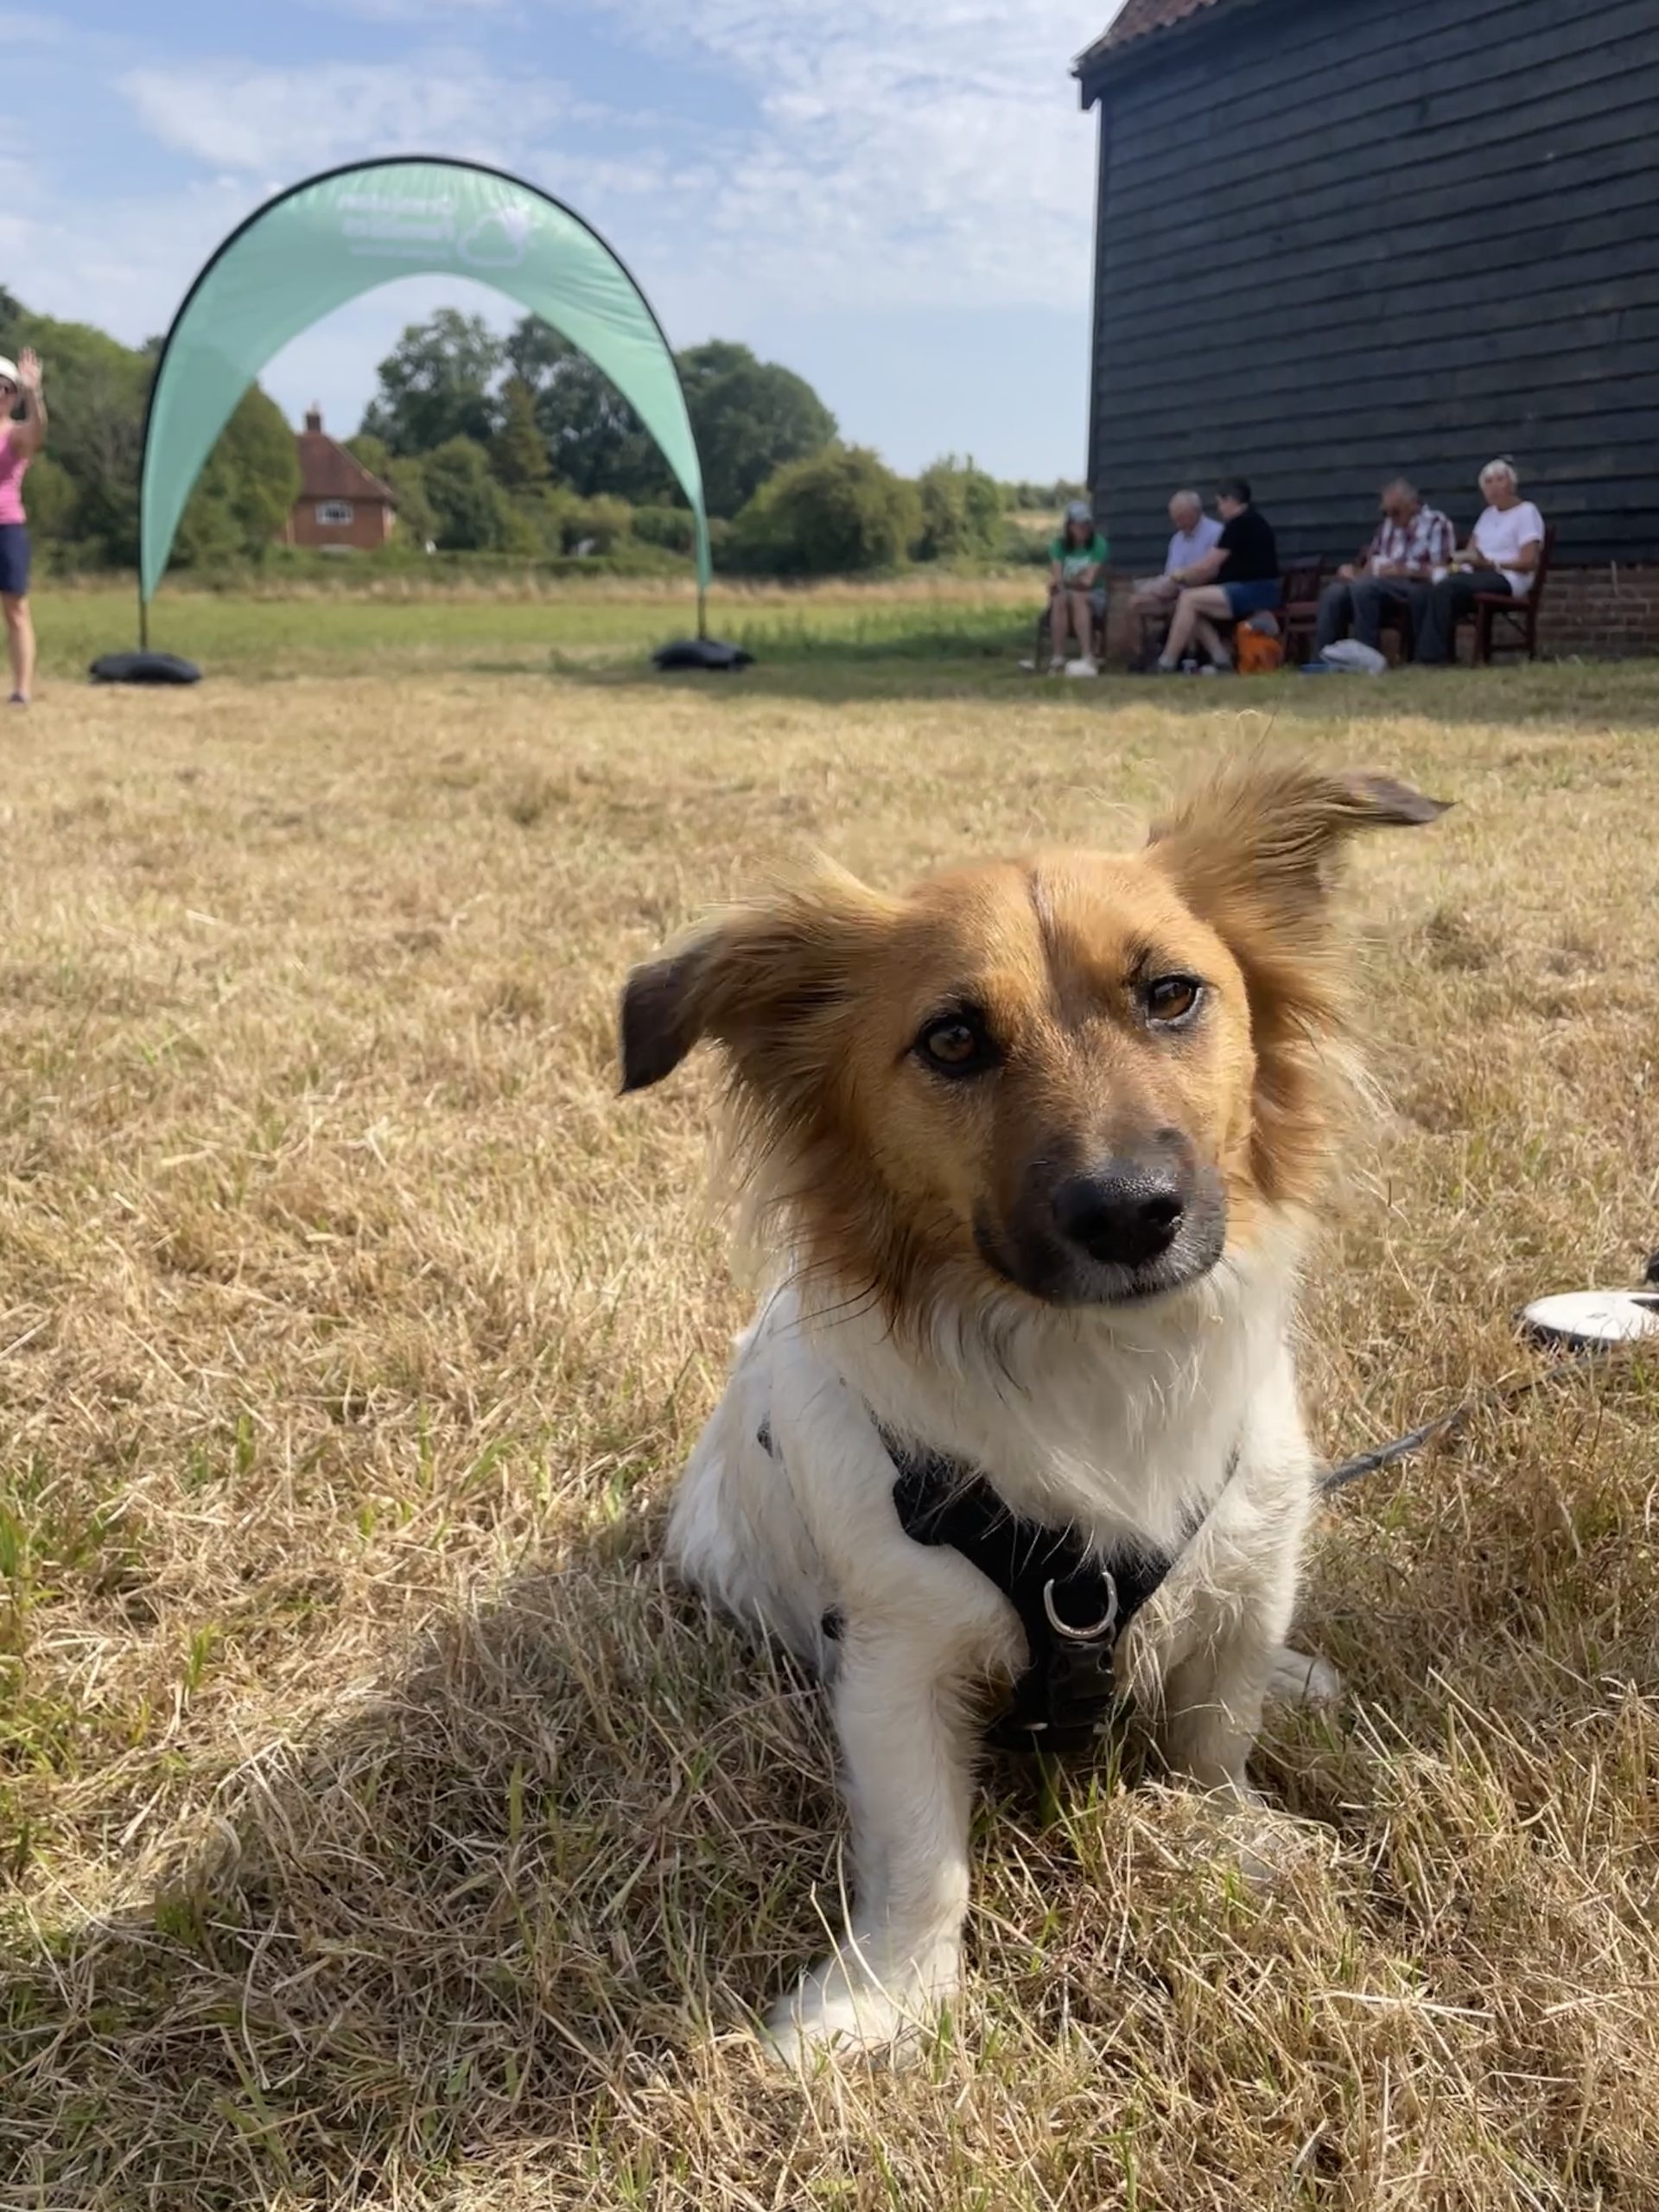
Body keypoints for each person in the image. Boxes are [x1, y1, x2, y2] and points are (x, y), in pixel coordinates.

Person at [1413, 458, 1545, 666]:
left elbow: (1529, 561)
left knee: (1448, 588)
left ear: (1512, 484)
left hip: (1508, 578)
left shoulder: (1526, 512)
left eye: (1499, 480)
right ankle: (1426, 654)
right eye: (1488, 482)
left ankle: (1431, 659)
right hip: (1477, 575)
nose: (1493, 487)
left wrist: (1491, 564)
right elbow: (1471, 553)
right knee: (1425, 589)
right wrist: (1455, 564)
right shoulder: (1487, 515)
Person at [1149, 477, 1280, 673]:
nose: (1219, 509)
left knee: (1188, 598)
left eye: (1220, 503)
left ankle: (1167, 662)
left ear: (1230, 500)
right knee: (1190, 606)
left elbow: (1209, 564)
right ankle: (1221, 659)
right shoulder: (1256, 521)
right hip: (1260, 589)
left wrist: (1178, 576)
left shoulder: (1238, 524)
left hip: (1254, 591)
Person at [1313, 478, 1454, 657]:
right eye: (1385, 512)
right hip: (1380, 584)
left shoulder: (1436, 523)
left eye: (1395, 512)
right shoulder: (1387, 527)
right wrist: (1354, 573)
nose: (1390, 517)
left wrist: (1401, 570)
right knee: (1334, 592)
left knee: (1364, 588)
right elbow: (1372, 562)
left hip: (1414, 583)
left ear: (1412, 504)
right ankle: (1326, 657)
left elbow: (1440, 570)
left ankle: (1366, 656)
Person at [0, 348, 46, 707]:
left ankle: (21, 690)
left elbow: (38, 431)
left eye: (6, 387)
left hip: (7, 527)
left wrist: (34, 392)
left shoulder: (16, 435)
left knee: (15, 609)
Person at [1130, 489, 1224, 626]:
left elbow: (1211, 572)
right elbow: (1170, 572)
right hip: (1173, 592)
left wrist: (1178, 582)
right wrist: (1159, 586)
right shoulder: (1177, 539)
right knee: (1134, 602)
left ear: (1195, 512)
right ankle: (1140, 647)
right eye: (1175, 519)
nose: (1177, 524)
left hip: (1202, 594)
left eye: (1181, 518)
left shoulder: (1216, 533)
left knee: (1185, 603)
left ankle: (1177, 644)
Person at [1046, 499, 1109, 675]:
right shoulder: (1058, 546)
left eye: (1087, 524)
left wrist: (1068, 582)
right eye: (1079, 525)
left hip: (1095, 595)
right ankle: (1058, 657)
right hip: (1067, 595)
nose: (1084, 529)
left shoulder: (1099, 544)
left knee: (1076, 597)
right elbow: (1058, 579)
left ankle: (1087, 657)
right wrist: (1072, 580)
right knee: (1060, 598)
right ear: (1069, 526)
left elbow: (1089, 581)